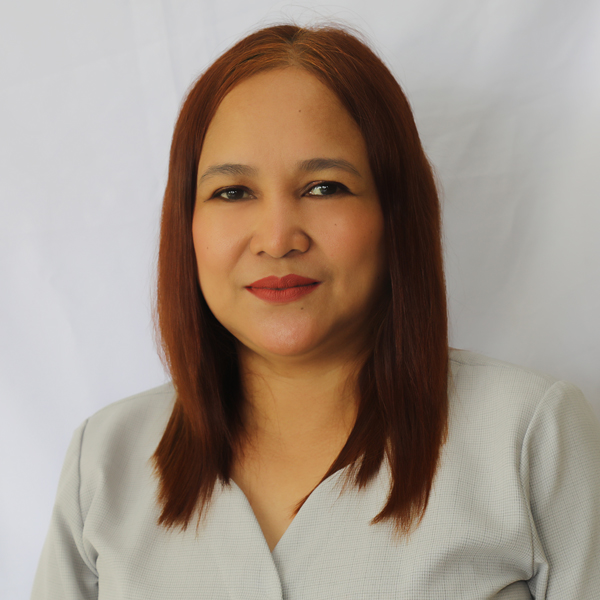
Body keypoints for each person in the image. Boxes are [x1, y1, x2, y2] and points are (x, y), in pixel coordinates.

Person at [31, 24, 600, 599]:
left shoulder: (530, 437)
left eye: (324, 187)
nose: (278, 239)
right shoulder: (103, 462)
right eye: (233, 192)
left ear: (396, 213)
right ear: (188, 226)